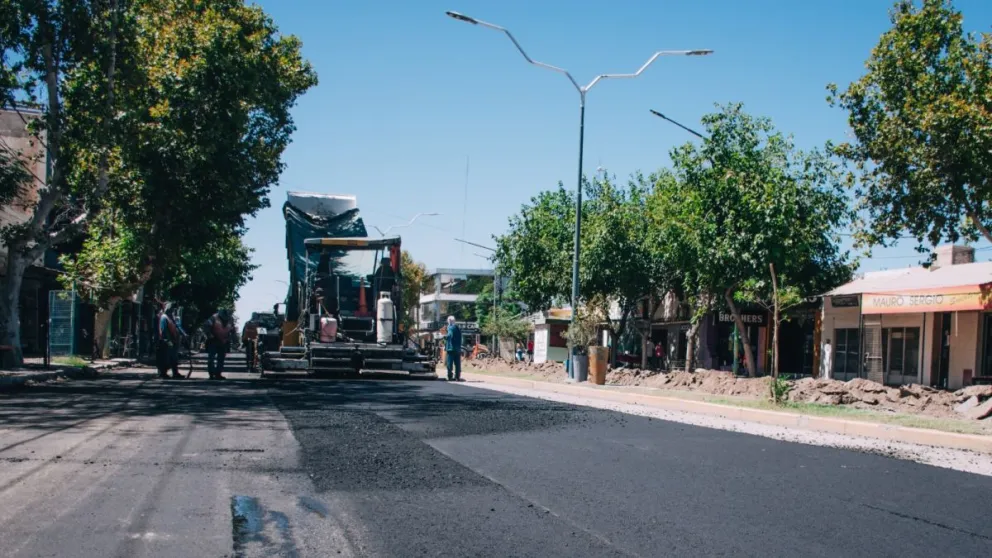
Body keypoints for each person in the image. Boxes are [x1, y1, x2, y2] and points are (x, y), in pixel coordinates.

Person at [204, 309, 234, 380]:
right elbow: (206, 326)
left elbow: (232, 330)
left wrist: (232, 339)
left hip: (223, 342)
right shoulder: (214, 318)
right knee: (211, 359)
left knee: (221, 359)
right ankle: (211, 374)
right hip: (213, 341)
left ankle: (218, 374)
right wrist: (209, 335)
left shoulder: (230, 319)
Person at [158, 304, 184, 379]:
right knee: (166, 357)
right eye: (171, 310)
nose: (172, 311)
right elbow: (163, 331)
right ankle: (163, 373)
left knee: (174, 357)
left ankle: (175, 373)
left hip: (172, 341)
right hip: (167, 341)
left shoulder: (171, 318)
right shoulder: (164, 317)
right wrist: (166, 340)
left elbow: (178, 327)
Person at [445, 315, 462, 381]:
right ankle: (457, 376)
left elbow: (450, 335)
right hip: (458, 348)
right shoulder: (457, 328)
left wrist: (444, 337)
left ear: (449, 321)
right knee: (457, 363)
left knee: (449, 363)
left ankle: (450, 376)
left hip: (451, 348)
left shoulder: (450, 327)